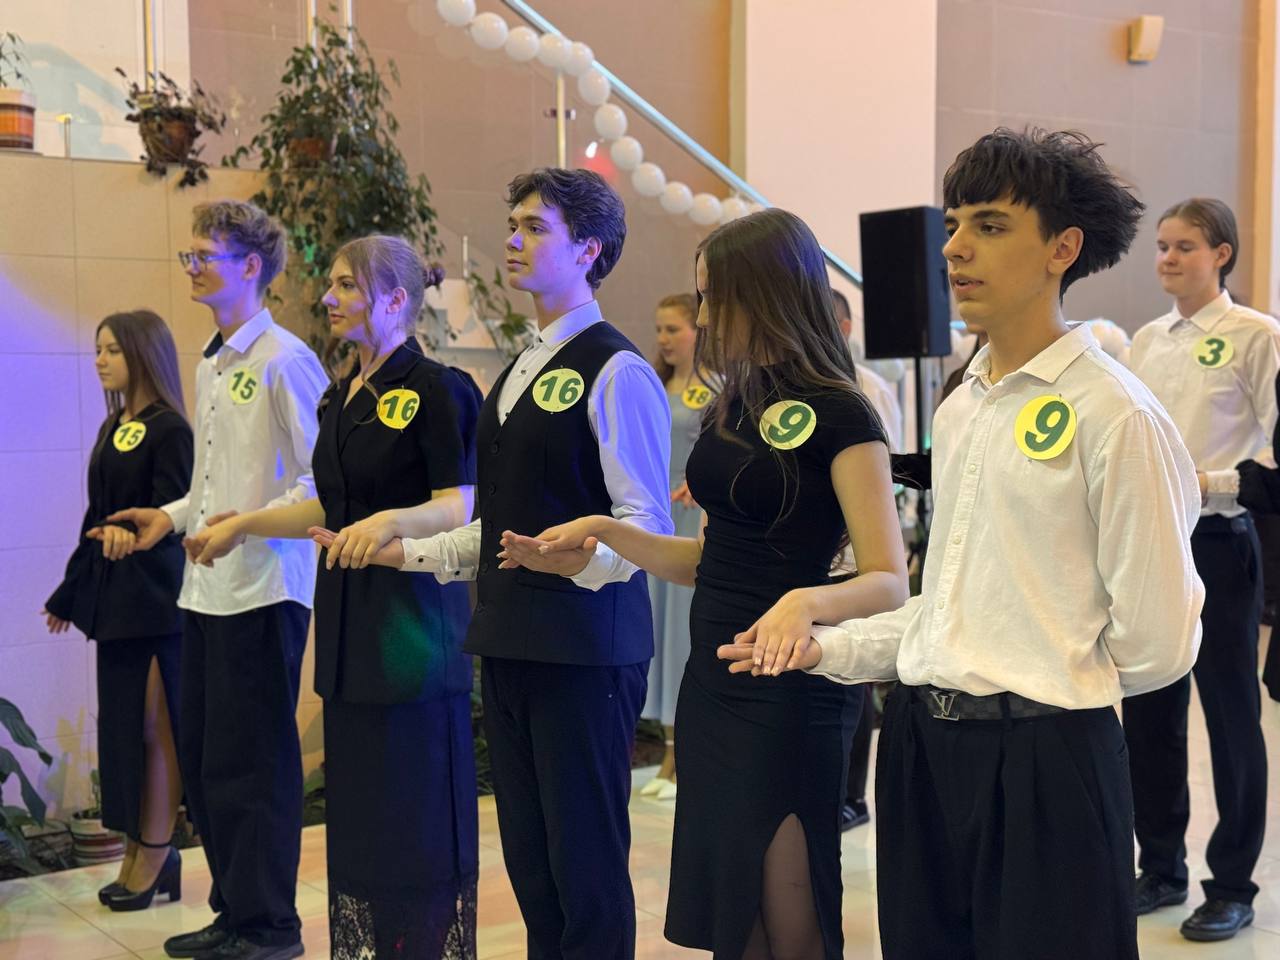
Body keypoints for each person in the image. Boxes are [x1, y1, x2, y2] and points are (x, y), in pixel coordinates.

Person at [719, 129, 1204, 960]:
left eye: (990, 225)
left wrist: (1044, 678)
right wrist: (828, 646)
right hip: (921, 748)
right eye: (953, 225)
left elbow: (1158, 641)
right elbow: (947, 610)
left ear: (1062, 249)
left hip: (1046, 764)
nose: (954, 248)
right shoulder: (962, 406)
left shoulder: (1115, 411)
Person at [519, 207, 908, 959]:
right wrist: (604, 533)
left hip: (789, 685)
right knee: (732, 908)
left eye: (713, 298)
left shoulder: (843, 412)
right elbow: (707, 562)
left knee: (789, 913)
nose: (702, 318)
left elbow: (889, 579)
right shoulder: (734, 403)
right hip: (715, 683)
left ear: (767, 293)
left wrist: (805, 602)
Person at [327, 168, 672, 960]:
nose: (512, 241)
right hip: (512, 646)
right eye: (512, 224)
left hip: (586, 654)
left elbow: (645, 526)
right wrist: (400, 551)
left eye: (534, 227)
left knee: (585, 873)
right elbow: (496, 525)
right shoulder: (520, 368)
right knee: (534, 873)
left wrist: (571, 560)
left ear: (588, 250)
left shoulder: (617, 369)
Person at [183, 235, 483, 958]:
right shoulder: (339, 395)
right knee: (362, 824)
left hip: (413, 631)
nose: (328, 297)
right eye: (333, 284)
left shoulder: (440, 389)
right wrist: (245, 525)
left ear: (395, 299)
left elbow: (460, 504)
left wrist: (389, 522)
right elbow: (330, 506)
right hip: (350, 634)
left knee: (413, 820)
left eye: (347, 285)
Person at [104, 201, 327, 960]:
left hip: (264, 588)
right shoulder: (211, 361)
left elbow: (322, 482)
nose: (193, 267)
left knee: (254, 765)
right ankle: (234, 912)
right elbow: (210, 481)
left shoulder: (285, 360)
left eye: (206, 255)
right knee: (208, 761)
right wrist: (170, 516)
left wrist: (245, 525)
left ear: (251, 267)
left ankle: (271, 927)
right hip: (204, 589)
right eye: (189, 256)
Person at [1123, 197, 1280, 942]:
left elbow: (1277, 451)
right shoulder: (1145, 341)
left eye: (1184, 246)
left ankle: (1233, 884)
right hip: (1155, 543)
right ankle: (1160, 866)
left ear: (1222, 254)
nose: (1167, 258)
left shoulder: (1256, 335)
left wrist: (1211, 482)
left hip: (1220, 541)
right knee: (1150, 710)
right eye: (1161, 246)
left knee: (1230, 718)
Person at [43, 310, 192, 911]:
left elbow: (175, 515)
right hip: (118, 605)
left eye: (112, 350)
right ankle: (141, 847)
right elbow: (95, 517)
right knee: (127, 730)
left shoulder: (171, 429)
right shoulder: (114, 426)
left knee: (158, 729)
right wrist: (70, 591)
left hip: (157, 599)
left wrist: (135, 536)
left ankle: (156, 851)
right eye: (97, 349)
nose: (100, 360)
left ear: (142, 353)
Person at [640, 292, 713, 803]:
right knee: (660, 634)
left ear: (697, 331)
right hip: (656, 517)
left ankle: (684, 758)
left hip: (694, 518)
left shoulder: (719, 388)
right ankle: (667, 754)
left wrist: (702, 484)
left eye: (673, 329)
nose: (664, 339)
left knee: (684, 635)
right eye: (659, 329)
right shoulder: (653, 384)